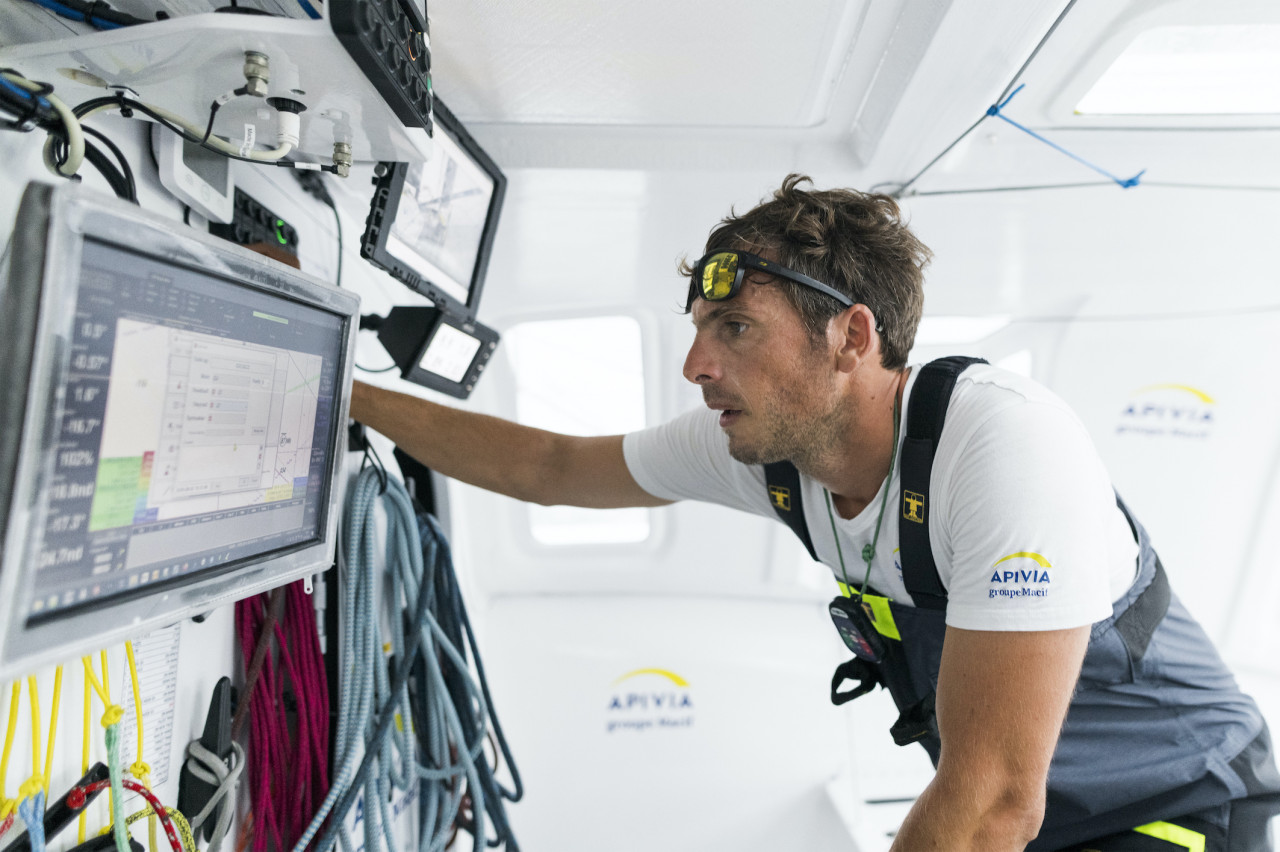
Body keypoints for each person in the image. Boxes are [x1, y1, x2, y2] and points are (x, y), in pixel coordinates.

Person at [351, 174, 1280, 851]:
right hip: (1037, 816)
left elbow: (995, 800)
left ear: (852, 336)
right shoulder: (773, 454)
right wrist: (345, 395)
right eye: (700, 331)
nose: (696, 366)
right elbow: (552, 466)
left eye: (736, 329)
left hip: (1177, 801)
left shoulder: (1002, 446)